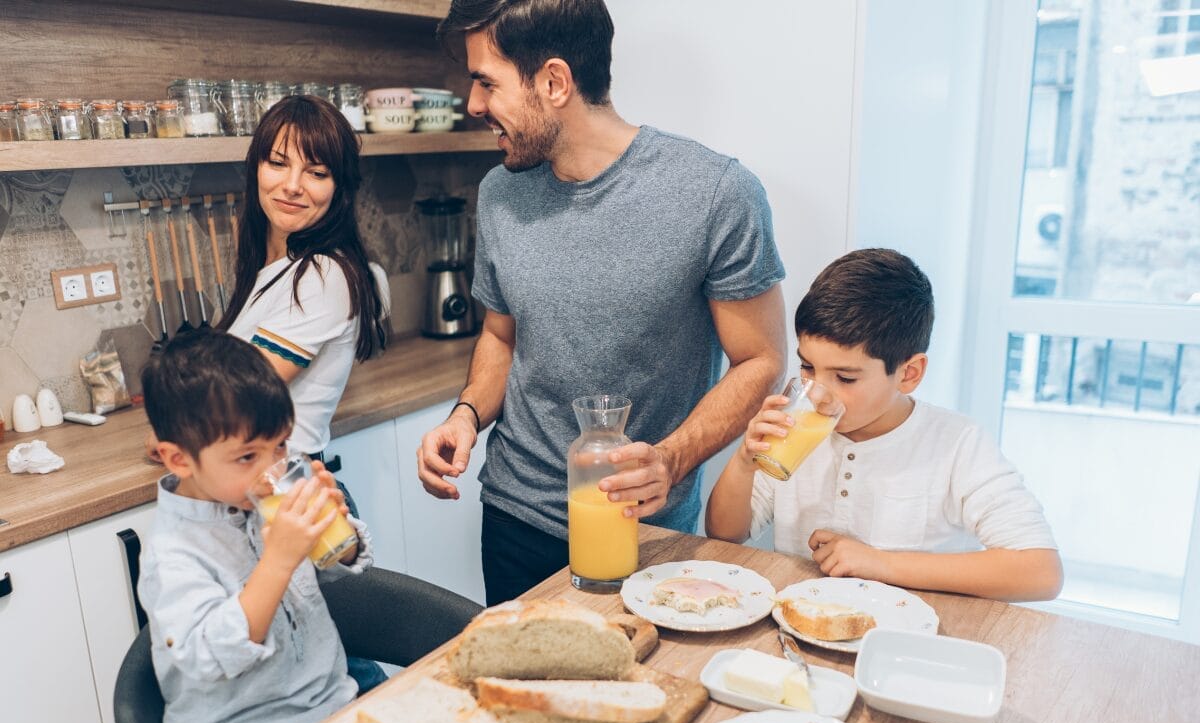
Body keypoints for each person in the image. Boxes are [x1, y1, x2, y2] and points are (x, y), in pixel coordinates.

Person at [417, 0, 788, 605]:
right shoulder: (499, 193)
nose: (474, 104)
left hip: (645, 529)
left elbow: (762, 360)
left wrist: (671, 459)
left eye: (486, 82)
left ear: (554, 81)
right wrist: (465, 415)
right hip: (513, 518)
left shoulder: (716, 192)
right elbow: (500, 336)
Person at [705, 249, 1064, 602]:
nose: (817, 395)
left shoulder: (956, 443)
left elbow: (1040, 572)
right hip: (802, 625)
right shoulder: (797, 427)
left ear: (909, 374)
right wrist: (743, 463)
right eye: (808, 368)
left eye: (845, 378)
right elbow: (724, 533)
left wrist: (880, 563)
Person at [138, 330, 381, 723]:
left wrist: (336, 528)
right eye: (248, 456)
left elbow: (342, 562)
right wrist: (278, 559)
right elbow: (211, 656)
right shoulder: (173, 555)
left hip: (331, 710)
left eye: (281, 447)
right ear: (178, 459)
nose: (272, 469)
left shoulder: (255, 499)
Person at [149, 95, 388, 507]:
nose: (292, 185)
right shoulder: (276, 267)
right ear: (256, 168)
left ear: (340, 189)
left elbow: (237, 397)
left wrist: (171, 421)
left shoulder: (323, 275)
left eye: (316, 172)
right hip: (257, 489)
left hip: (286, 493)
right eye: (277, 163)